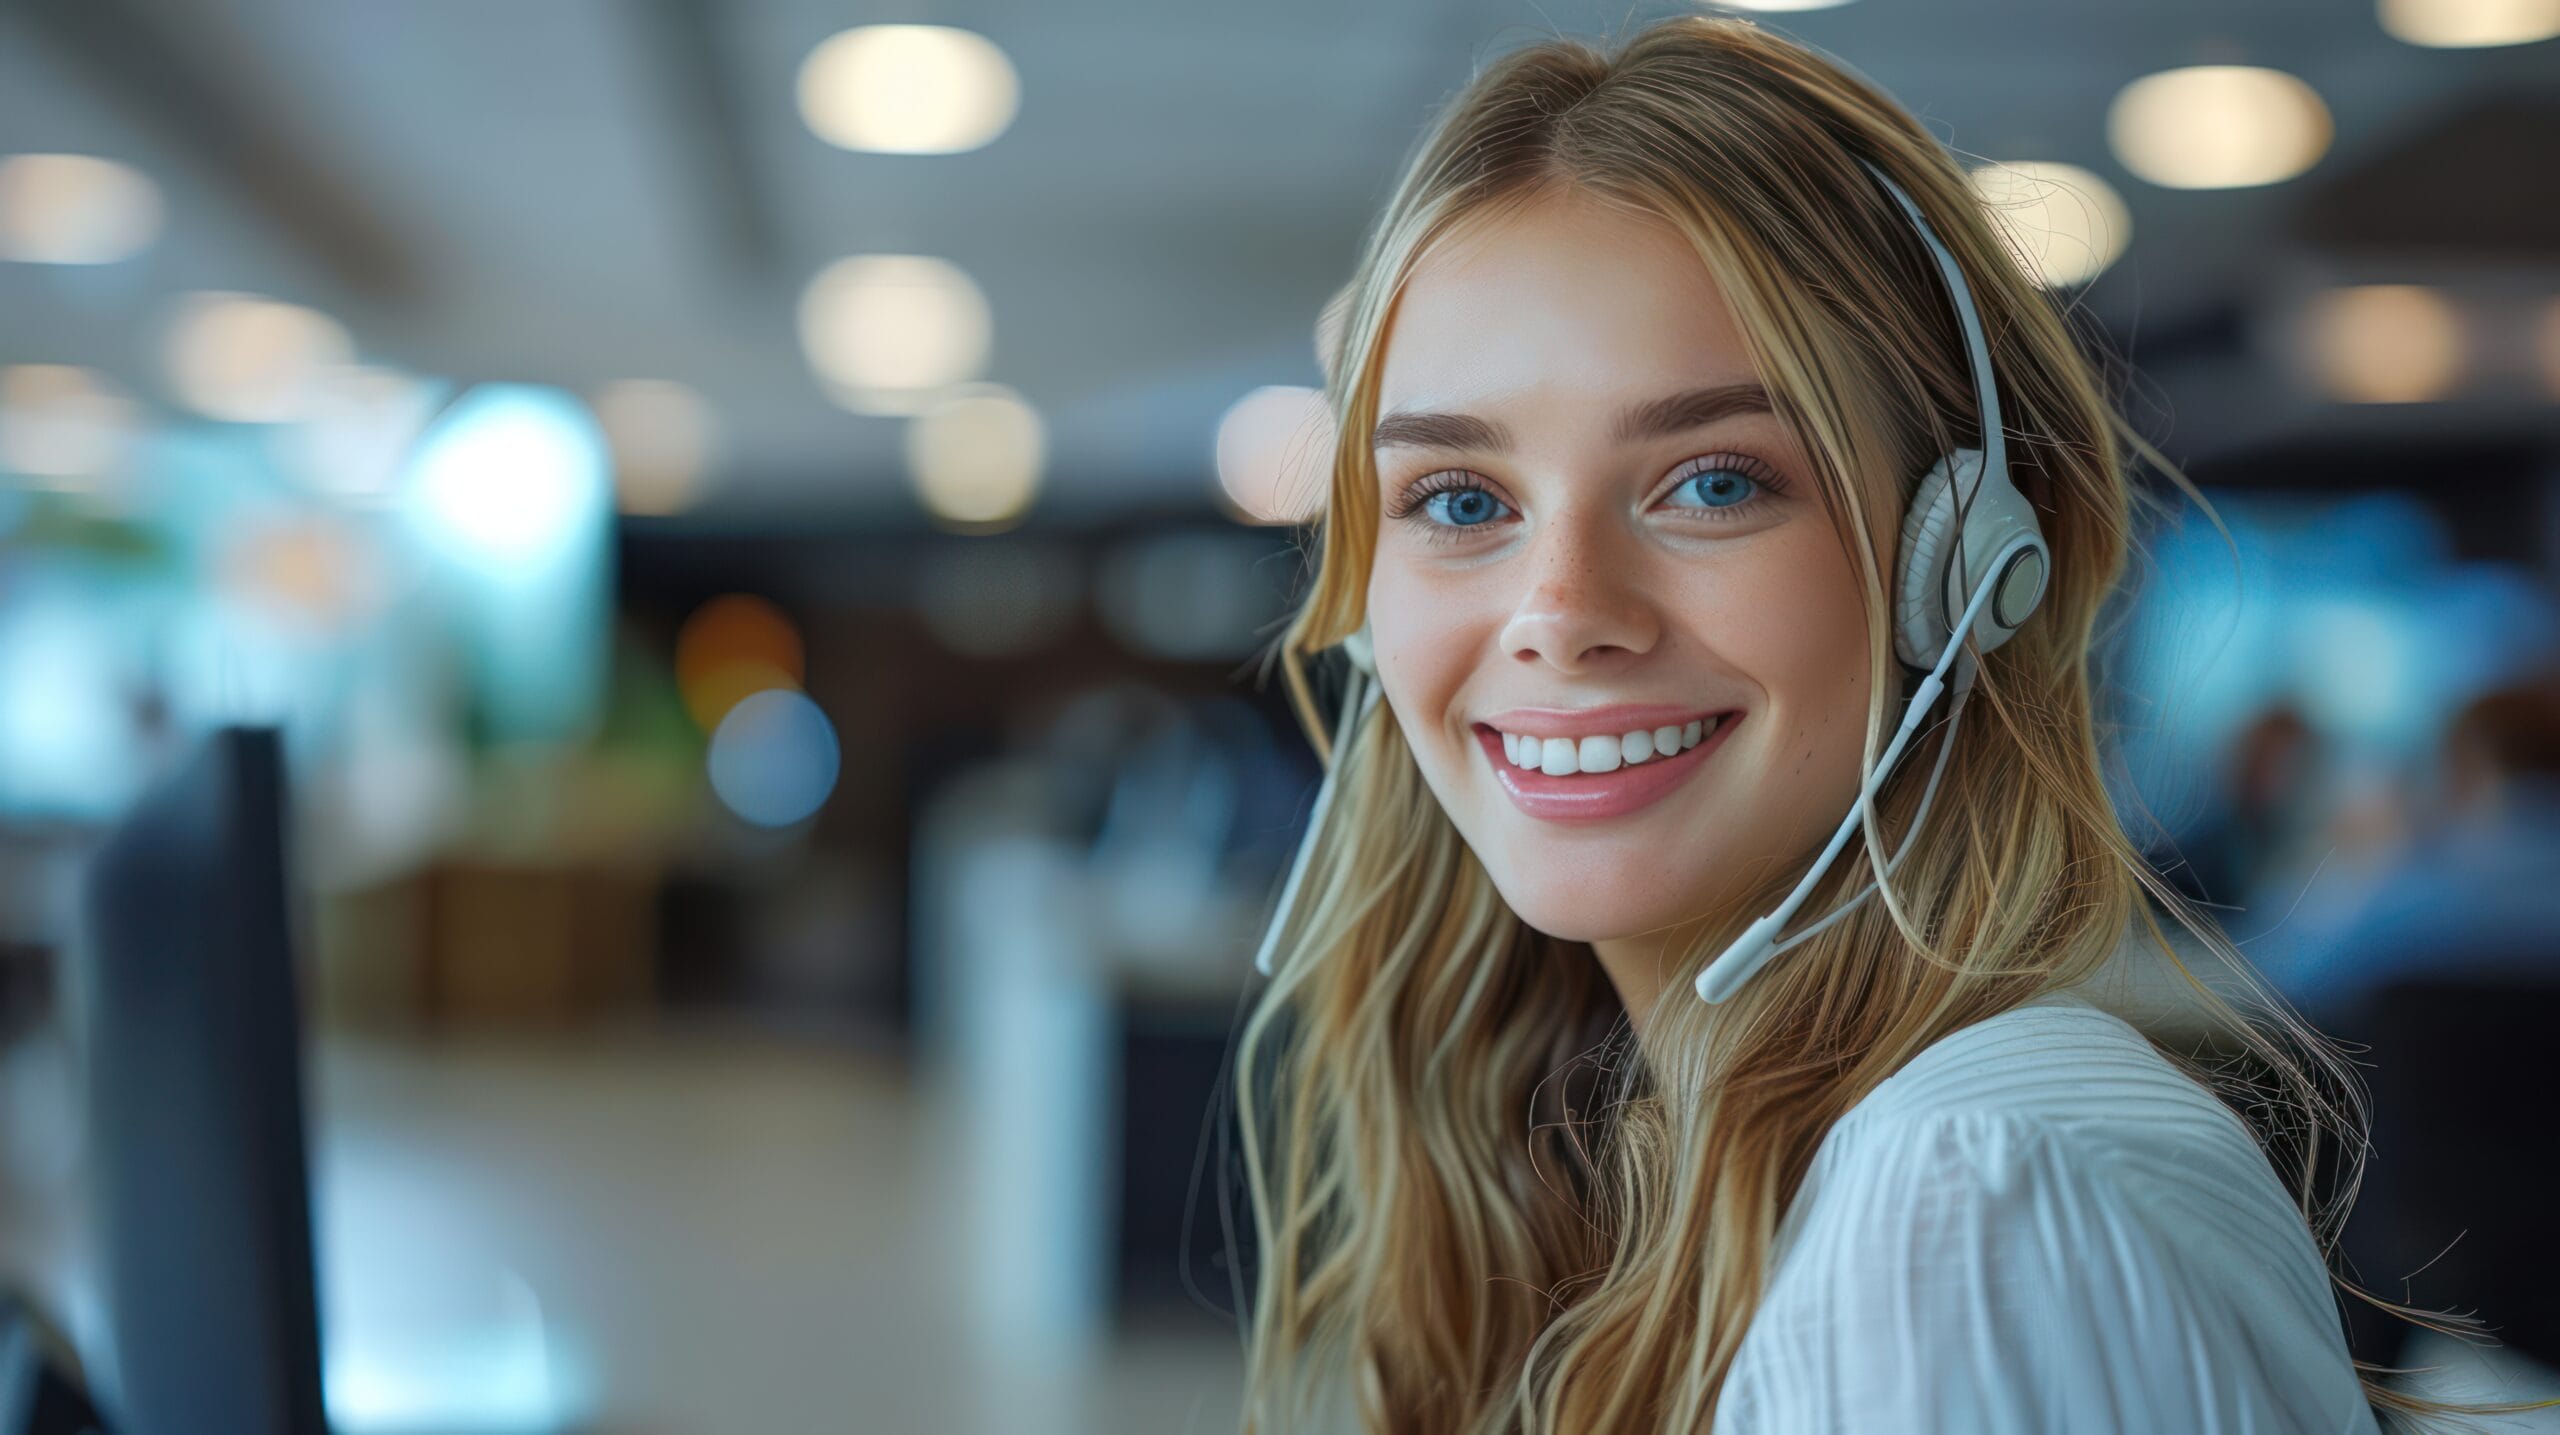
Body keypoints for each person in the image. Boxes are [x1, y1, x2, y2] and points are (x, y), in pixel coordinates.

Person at [1230, 17, 2481, 1433]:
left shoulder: (1968, 1216)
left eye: (1711, 482)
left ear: (1968, 563)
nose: (1560, 611)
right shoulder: (1698, 1169)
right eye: (1461, 500)